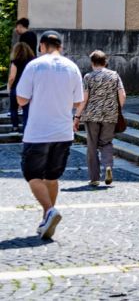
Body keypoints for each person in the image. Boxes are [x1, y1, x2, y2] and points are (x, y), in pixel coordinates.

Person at [17, 30, 83, 240]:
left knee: (33, 176)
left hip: (38, 131)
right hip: (63, 131)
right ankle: (48, 217)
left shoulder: (34, 65)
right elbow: (77, 101)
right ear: (60, 47)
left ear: (42, 46)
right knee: (52, 177)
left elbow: (21, 99)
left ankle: (49, 210)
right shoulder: (72, 67)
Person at [80, 50, 126, 187]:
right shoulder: (114, 75)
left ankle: (94, 178)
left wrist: (77, 116)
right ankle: (108, 166)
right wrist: (117, 110)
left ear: (92, 62)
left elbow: (84, 98)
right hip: (110, 115)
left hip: (91, 115)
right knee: (106, 143)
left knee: (92, 146)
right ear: (105, 62)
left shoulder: (88, 77)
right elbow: (122, 95)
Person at [8, 41, 34, 132]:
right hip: (27, 88)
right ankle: (26, 128)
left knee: (13, 108)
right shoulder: (32, 62)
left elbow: (12, 77)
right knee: (26, 110)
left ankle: (15, 126)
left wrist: (9, 87)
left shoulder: (15, 61)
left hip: (16, 88)